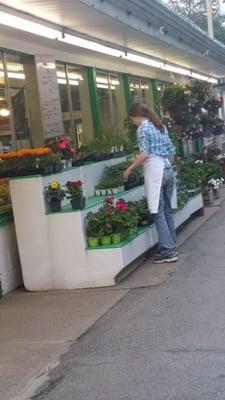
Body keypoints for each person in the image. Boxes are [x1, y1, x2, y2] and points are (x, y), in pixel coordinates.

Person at [123, 103, 177, 263]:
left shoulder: (143, 129)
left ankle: (168, 251)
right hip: (168, 169)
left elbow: (144, 154)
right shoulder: (161, 126)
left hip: (155, 171)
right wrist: (168, 165)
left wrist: (129, 170)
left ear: (136, 116)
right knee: (167, 210)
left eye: (132, 119)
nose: (133, 123)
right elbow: (172, 151)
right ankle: (171, 246)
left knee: (157, 211)